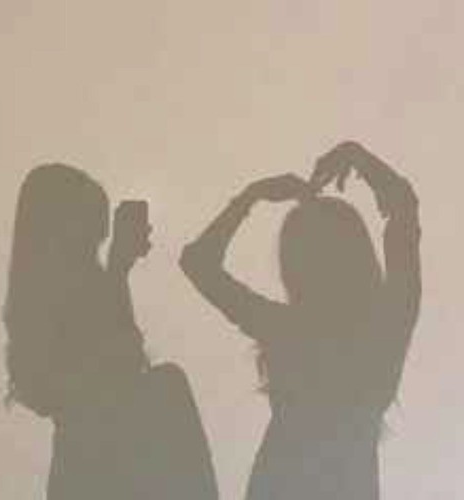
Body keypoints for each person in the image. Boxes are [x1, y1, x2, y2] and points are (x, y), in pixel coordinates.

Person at [180, 142, 421, 499]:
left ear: (295, 266)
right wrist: (358, 157)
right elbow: (403, 208)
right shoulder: (386, 328)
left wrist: (249, 198)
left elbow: (198, 262)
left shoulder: (285, 330)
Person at [3, 164, 218, 500]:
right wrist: (117, 270)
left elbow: (119, 365)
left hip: (90, 470)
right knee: (169, 382)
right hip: (109, 469)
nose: (92, 253)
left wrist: (118, 270)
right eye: (88, 240)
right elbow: (117, 371)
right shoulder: (58, 300)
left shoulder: (39, 301)